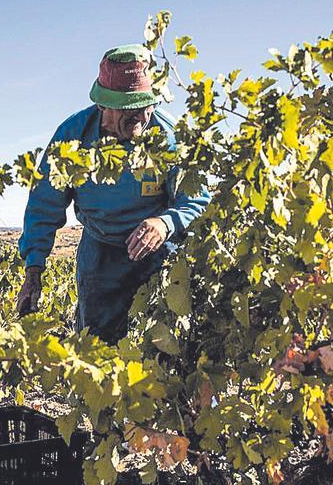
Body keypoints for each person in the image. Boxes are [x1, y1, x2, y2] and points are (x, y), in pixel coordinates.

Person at [15, 44, 211, 344]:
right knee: (96, 347)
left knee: (161, 351)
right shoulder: (73, 136)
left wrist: (165, 223)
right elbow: (44, 205)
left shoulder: (170, 138)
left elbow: (196, 199)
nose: (106, 120)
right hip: (101, 253)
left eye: (137, 113)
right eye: (107, 110)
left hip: (158, 254)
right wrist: (34, 269)